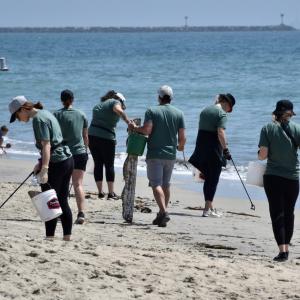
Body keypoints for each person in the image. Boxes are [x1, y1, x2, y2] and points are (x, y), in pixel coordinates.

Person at [8, 95, 74, 241]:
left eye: (17, 116)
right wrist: (41, 162)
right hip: (68, 159)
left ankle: (49, 238)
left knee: (48, 202)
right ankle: (67, 238)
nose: (18, 120)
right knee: (62, 201)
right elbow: (54, 142)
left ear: (22, 109)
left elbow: (47, 145)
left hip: (56, 163)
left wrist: (44, 168)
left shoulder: (38, 119)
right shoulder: (45, 113)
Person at [129, 85, 186, 227]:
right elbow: (183, 138)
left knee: (156, 185)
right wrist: (180, 147)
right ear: (171, 98)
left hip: (155, 153)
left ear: (159, 97)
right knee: (165, 185)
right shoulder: (179, 113)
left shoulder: (152, 111)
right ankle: (161, 215)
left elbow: (147, 130)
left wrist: (135, 128)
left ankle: (164, 212)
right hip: (171, 155)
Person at [258, 100, 300, 262]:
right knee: (289, 213)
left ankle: (282, 251)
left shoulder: (267, 128)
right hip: (293, 177)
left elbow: (262, 155)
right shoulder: (297, 128)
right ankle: (287, 249)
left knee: (277, 213)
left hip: (273, 177)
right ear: (290, 113)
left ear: (276, 112)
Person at [188, 93, 235, 217]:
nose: (229, 111)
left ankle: (210, 207)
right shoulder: (222, 114)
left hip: (201, 147)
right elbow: (220, 132)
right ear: (227, 104)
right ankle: (207, 210)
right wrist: (226, 150)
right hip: (213, 149)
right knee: (213, 179)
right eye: (230, 108)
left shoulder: (205, 110)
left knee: (208, 178)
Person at [54, 90, 89, 225]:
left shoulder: (56, 115)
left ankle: (58, 212)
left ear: (61, 99)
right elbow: (85, 136)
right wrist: (86, 151)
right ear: (72, 99)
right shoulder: (81, 114)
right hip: (80, 153)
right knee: (78, 184)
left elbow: (54, 137)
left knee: (60, 185)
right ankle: (81, 213)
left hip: (63, 154)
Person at [88, 90, 131, 200]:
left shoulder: (99, 105)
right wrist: (129, 123)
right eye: (122, 103)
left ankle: (100, 192)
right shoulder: (114, 102)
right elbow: (119, 111)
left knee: (98, 163)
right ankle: (111, 193)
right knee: (109, 165)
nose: (123, 105)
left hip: (92, 136)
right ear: (119, 99)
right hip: (106, 138)